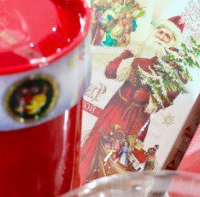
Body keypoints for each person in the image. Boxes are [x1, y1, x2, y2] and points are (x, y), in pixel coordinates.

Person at [78, 17, 185, 181]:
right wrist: (124, 57)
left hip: (139, 115)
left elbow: (169, 95)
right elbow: (110, 72)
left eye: (167, 36)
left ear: (172, 43)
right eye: (160, 32)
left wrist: (150, 97)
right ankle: (80, 175)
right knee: (100, 139)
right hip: (117, 106)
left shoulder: (170, 67)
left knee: (122, 152)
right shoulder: (137, 50)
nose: (161, 38)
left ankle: (101, 184)